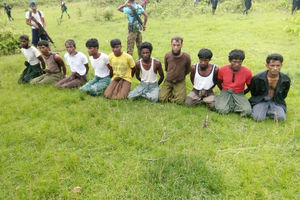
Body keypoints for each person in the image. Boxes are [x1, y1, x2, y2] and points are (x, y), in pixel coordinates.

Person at [249, 54, 290, 121]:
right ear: (267, 66)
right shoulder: (257, 78)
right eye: (272, 65)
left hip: (276, 101)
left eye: (278, 65)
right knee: (258, 118)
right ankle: (264, 110)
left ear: (281, 65)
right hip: (261, 101)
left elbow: (284, 94)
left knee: (281, 118)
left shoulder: (285, 79)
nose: (275, 68)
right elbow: (254, 92)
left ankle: (268, 110)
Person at [215, 49, 252, 117]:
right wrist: (223, 91)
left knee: (247, 111)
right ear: (229, 60)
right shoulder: (222, 70)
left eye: (239, 62)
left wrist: (243, 93)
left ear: (242, 61)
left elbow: (250, 86)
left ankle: (232, 105)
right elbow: (219, 82)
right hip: (226, 91)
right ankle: (221, 99)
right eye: (234, 62)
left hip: (239, 93)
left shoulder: (247, 72)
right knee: (222, 110)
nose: (237, 64)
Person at [159, 36, 191, 104]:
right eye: (174, 45)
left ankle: (175, 94)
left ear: (182, 45)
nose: (176, 47)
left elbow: (188, 70)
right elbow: (167, 68)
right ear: (171, 45)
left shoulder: (186, 57)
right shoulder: (167, 55)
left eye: (178, 45)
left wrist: (180, 75)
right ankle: (172, 93)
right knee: (161, 99)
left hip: (180, 80)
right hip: (169, 80)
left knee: (180, 101)